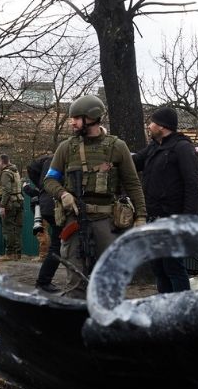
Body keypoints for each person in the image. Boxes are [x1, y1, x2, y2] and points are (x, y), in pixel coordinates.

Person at [43, 95, 147, 299]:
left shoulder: (117, 147)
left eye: (76, 118)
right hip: (74, 219)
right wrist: (63, 193)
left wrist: (141, 216)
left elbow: (133, 184)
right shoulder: (66, 148)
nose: (72, 122)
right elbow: (49, 180)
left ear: (91, 118)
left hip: (107, 221)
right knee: (75, 278)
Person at [133, 106, 198, 293]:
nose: (149, 126)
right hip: (154, 217)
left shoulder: (183, 148)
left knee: (173, 267)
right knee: (158, 267)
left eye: (152, 122)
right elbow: (135, 161)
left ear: (162, 126)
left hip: (173, 219)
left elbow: (193, 187)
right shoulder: (155, 147)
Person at [23, 152, 62, 292]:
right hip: (56, 203)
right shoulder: (64, 155)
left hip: (45, 203)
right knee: (59, 244)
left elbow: (31, 167)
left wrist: (39, 187)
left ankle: (43, 281)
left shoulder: (47, 160)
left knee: (58, 243)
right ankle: (43, 282)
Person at [0, 154, 23, 260]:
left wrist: (2, 205)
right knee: (17, 229)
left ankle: (10, 254)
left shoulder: (6, 173)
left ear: (2, 161)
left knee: (9, 228)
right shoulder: (15, 171)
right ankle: (17, 254)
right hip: (19, 202)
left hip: (10, 204)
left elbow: (7, 190)